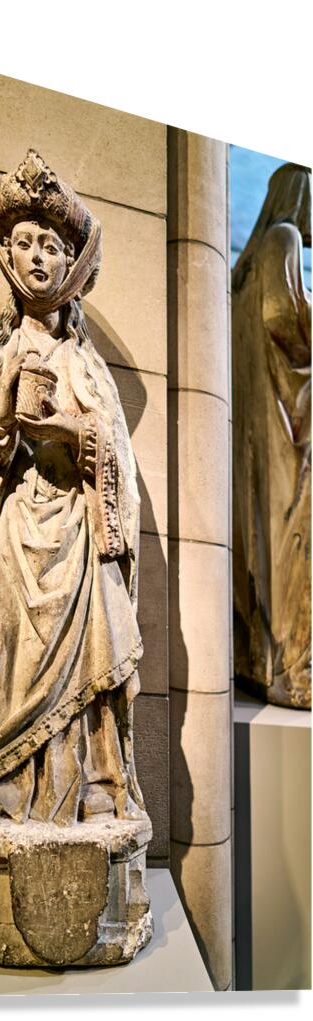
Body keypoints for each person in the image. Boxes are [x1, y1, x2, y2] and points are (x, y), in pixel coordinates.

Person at [0, 151, 148, 825]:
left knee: (96, 640)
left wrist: (69, 428)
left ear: (71, 262)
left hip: (75, 526)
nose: (37, 256)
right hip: (15, 524)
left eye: (51, 246)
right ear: (9, 255)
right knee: (5, 643)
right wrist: (4, 410)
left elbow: (111, 449)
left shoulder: (84, 362)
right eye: (26, 243)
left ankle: (97, 786)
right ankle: (2, 782)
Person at [232, 162, 311, 708]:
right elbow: (287, 318)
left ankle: (261, 660)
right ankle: (292, 668)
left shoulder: (247, 261)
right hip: (284, 428)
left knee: (262, 540)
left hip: (261, 426)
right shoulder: (282, 238)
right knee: (291, 540)